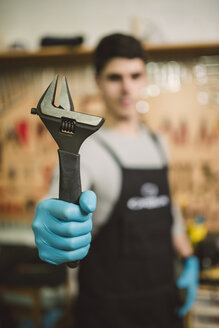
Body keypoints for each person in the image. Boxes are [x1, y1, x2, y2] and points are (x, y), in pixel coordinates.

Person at [32, 33, 199, 328]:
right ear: (98, 80)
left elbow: (169, 211)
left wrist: (189, 259)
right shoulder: (85, 149)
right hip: (106, 310)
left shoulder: (159, 143)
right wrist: (53, 227)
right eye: (115, 77)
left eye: (135, 76)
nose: (127, 88)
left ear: (145, 78)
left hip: (162, 301)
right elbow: (55, 204)